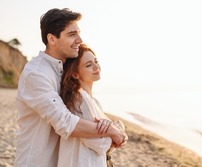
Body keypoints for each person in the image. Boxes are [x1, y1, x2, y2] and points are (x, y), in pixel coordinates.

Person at [15, 8, 128, 167]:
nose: (79, 39)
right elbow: (65, 122)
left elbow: (90, 112)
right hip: (38, 161)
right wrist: (110, 130)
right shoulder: (37, 73)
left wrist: (115, 126)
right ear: (52, 39)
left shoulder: (65, 70)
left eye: (79, 33)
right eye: (72, 34)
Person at [59, 43, 125, 167]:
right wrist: (114, 132)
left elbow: (109, 139)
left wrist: (115, 128)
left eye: (96, 61)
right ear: (75, 74)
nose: (96, 67)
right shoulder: (79, 99)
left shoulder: (94, 101)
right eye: (89, 65)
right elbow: (101, 145)